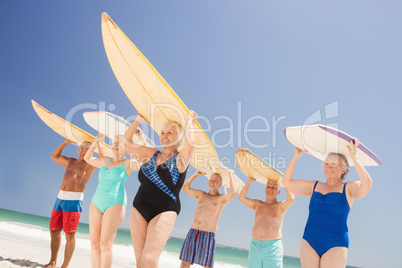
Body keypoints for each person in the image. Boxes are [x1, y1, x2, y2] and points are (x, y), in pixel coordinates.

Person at [282, 138, 373, 268]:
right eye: (327, 163)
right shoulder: (314, 186)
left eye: (334, 163)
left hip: (335, 245)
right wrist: (295, 157)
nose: (329, 166)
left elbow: (367, 185)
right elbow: (287, 183)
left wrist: (354, 157)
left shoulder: (348, 188)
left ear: (343, 170)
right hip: (309, 241)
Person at [124, 111, 197, 268]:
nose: (164, 136)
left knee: (149, 259)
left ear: (179, 139)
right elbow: (126, 145)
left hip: (165, 210)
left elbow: (191, 145)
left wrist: (190, 121)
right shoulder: (151, 153)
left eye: (170, 133)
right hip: (139, 209)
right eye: (162, 132)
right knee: (139, 260)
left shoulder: (180, 160)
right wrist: (137, 120)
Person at [84, 133, 139, 268]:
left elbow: (143, 162)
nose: (115, 145)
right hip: (96, 202)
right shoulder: (105, 161)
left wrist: (137, 143)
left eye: (119, 144)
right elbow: (87, 158)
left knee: (105, 244)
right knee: (94, 244)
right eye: (114, 143)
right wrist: (97, 141)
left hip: (115, 203)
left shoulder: (128, 163)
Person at [45, 139, 98, 268]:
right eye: (80, 146)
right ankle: (52, 262)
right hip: (60, 198)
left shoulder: (91, 163)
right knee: (54, 231)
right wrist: (66, 142)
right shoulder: (71, 161)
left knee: (69, 234)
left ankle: (65, 266)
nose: (80, 148)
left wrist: (97, 144)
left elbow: (104, 158)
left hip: (74, 200)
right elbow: (54, 156)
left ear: (90, 150)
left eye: (85, 147)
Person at [179, 170, 238, 268]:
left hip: (208, 235)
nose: (211, 182)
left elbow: (234, 192)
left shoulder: (221, 198)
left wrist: (231, 175)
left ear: (220, 184)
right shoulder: (201, 195)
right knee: (185, 262)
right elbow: (184, 187)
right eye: (211, 179)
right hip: (193, 232)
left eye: (215, 180)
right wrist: (196, 175)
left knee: (207, 265)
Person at [238, 176, 294, 268]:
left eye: (273, 187)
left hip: (272, 248)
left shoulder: (281, 206)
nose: (270, 189)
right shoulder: (257, 204)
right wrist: (249, 182)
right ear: (264, 190)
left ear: (278, 192)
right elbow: (241, 197)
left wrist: (286, 183)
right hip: (255, 246)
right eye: (268, 187)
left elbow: (291, 199)